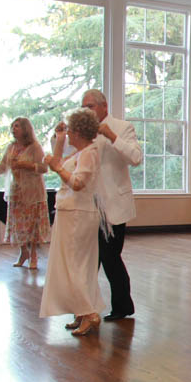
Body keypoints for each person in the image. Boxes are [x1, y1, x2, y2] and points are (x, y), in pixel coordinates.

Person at [67, 89, 143, 321]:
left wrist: (111, 136)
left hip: (113, 206)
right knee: (87, 262)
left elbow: (135, 158)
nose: (85, 110)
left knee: (110, 258)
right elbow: (71, 161)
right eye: (83, 106)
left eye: (89, 106)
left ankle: (122, 307)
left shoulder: (122, 127)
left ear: (104, 106)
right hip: (87, 206)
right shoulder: (83, 133)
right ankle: (85, 311)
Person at [40, 109, 106, 336]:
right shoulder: (80, 153)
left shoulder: (90, 152)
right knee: (73, 264)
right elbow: (57, 164)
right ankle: (81, 311)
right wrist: (58, 141)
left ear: (77, 131)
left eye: (69, 131)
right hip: (70, 211)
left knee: (76, 265)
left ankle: (89, 312)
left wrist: (58, 167)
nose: (67, 134)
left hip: (79, 213)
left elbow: (77, 183)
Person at [0, 117, 51, 270]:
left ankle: (34, 254)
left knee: (32, 225)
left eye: (17, 126)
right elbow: (2, 168)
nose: (14, 129)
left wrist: (26, 165)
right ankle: (23, 253)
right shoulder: (11, 147)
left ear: (25, 129)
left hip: (33, 192)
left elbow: (44, 168)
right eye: (13, 126)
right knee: (19, 225)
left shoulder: (34, 147)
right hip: (17, 192)